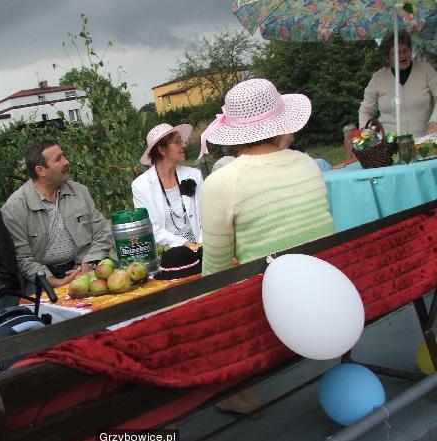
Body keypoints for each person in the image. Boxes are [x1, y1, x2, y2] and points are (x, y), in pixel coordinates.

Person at [199, 78, 335, 415]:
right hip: (325, 288)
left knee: (196, 304)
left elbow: (215, 272)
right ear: (279, 125)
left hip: (270, 305)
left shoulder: (222, 183)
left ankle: (240, 395)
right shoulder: (308, 164)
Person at [2, 140, 114, 290]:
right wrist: (54, 282)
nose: (66, 162)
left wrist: (89, 264)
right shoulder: (15, 207)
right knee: (41, 302)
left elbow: (102, 232)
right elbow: (22, 259)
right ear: (41, 170)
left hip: (83, 267)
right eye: (58, 159)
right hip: (40, 279)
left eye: (64, 156)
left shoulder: (79, 191)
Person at [131, 123, 203, 247]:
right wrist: (186, 244)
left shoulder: (194, 175)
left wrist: (201, 245)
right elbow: (151, 229)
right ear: (162, 150)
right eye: (177, 141)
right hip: (169, 252)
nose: (184, 145)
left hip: (202, 246)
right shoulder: (141, 186)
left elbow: (206, 216)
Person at [359, 30, 437, 138]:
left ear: (411, 51)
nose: (402, 55)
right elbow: (366, 111)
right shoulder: (378, 78)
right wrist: (366, 132)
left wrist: (434, 123)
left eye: (405, 50)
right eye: (396, 52)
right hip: (390, 144)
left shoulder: (426, 70)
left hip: (425, 141)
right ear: (387, 57)